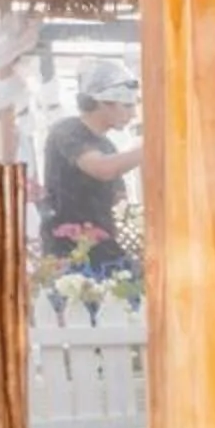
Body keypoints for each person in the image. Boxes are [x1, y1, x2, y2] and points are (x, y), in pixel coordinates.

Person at [43, 61, 140, 271]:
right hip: (69, 248)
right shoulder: (67, 130)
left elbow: (118, 197)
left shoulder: (107, 145)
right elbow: (103, 169)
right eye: (128, 106)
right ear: (104, 102)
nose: (133, 114)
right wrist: (152, 146)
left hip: (102, 244)